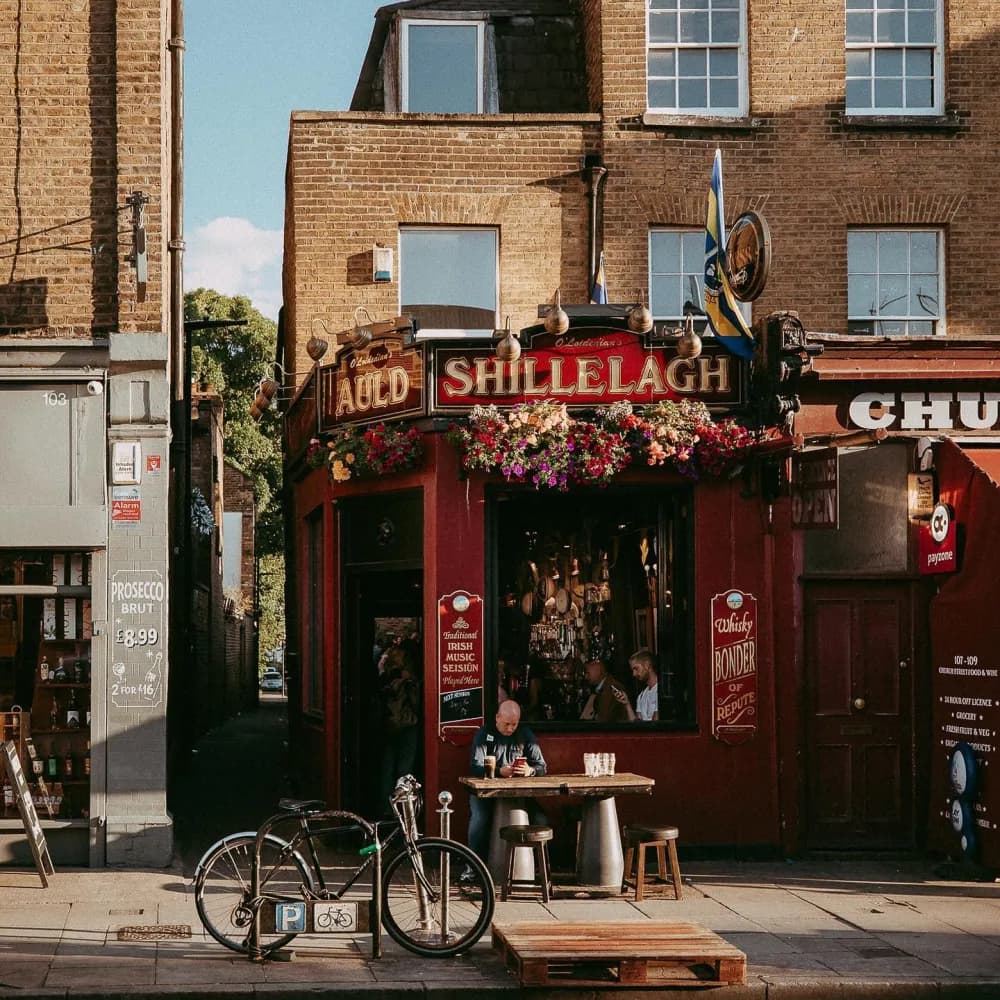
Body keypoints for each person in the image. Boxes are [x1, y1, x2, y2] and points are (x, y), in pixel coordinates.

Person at [467, 699, 547, 864]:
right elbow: (475, 766)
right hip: (486, 793)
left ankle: (535, 865)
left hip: (519, 794)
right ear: (497, 717)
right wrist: (498, 772)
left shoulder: (524, 734)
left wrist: (530, 771)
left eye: (514, 724)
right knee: (479, 820)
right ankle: (473, 866)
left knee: (541, 820)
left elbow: (542, 766)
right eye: (507, 724)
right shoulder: (484, 734)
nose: (510, 728)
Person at [378, 644, 421, 811]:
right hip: (408, 727)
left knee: (387, 770)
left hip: (388, 727)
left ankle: (386, 809)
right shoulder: (409, 682)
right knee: (404, 772)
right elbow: (416, 704)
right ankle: (403, 812)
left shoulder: (384, 677)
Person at [615, 648, 659, 721]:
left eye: (636, 668)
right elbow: (636, 725)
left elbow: (656, 725)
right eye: (633, 670)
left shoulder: (661, 692)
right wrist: (627, 704)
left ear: (647, 665)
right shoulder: (641, 696)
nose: (634, 674)